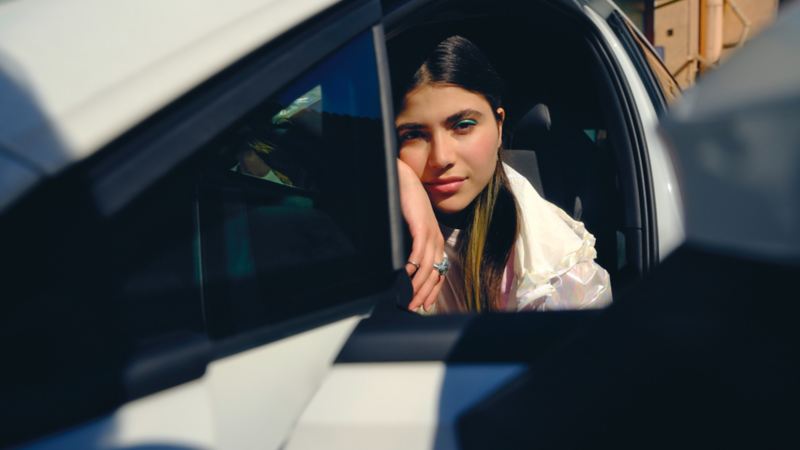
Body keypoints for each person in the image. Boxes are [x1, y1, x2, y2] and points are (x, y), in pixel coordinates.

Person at [394, 35, 612, 314]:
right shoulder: (367, 208)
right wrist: (398, 176)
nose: (441, 158)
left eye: (463, 126)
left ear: (499, 127)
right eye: (413, 135)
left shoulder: (553, 264)